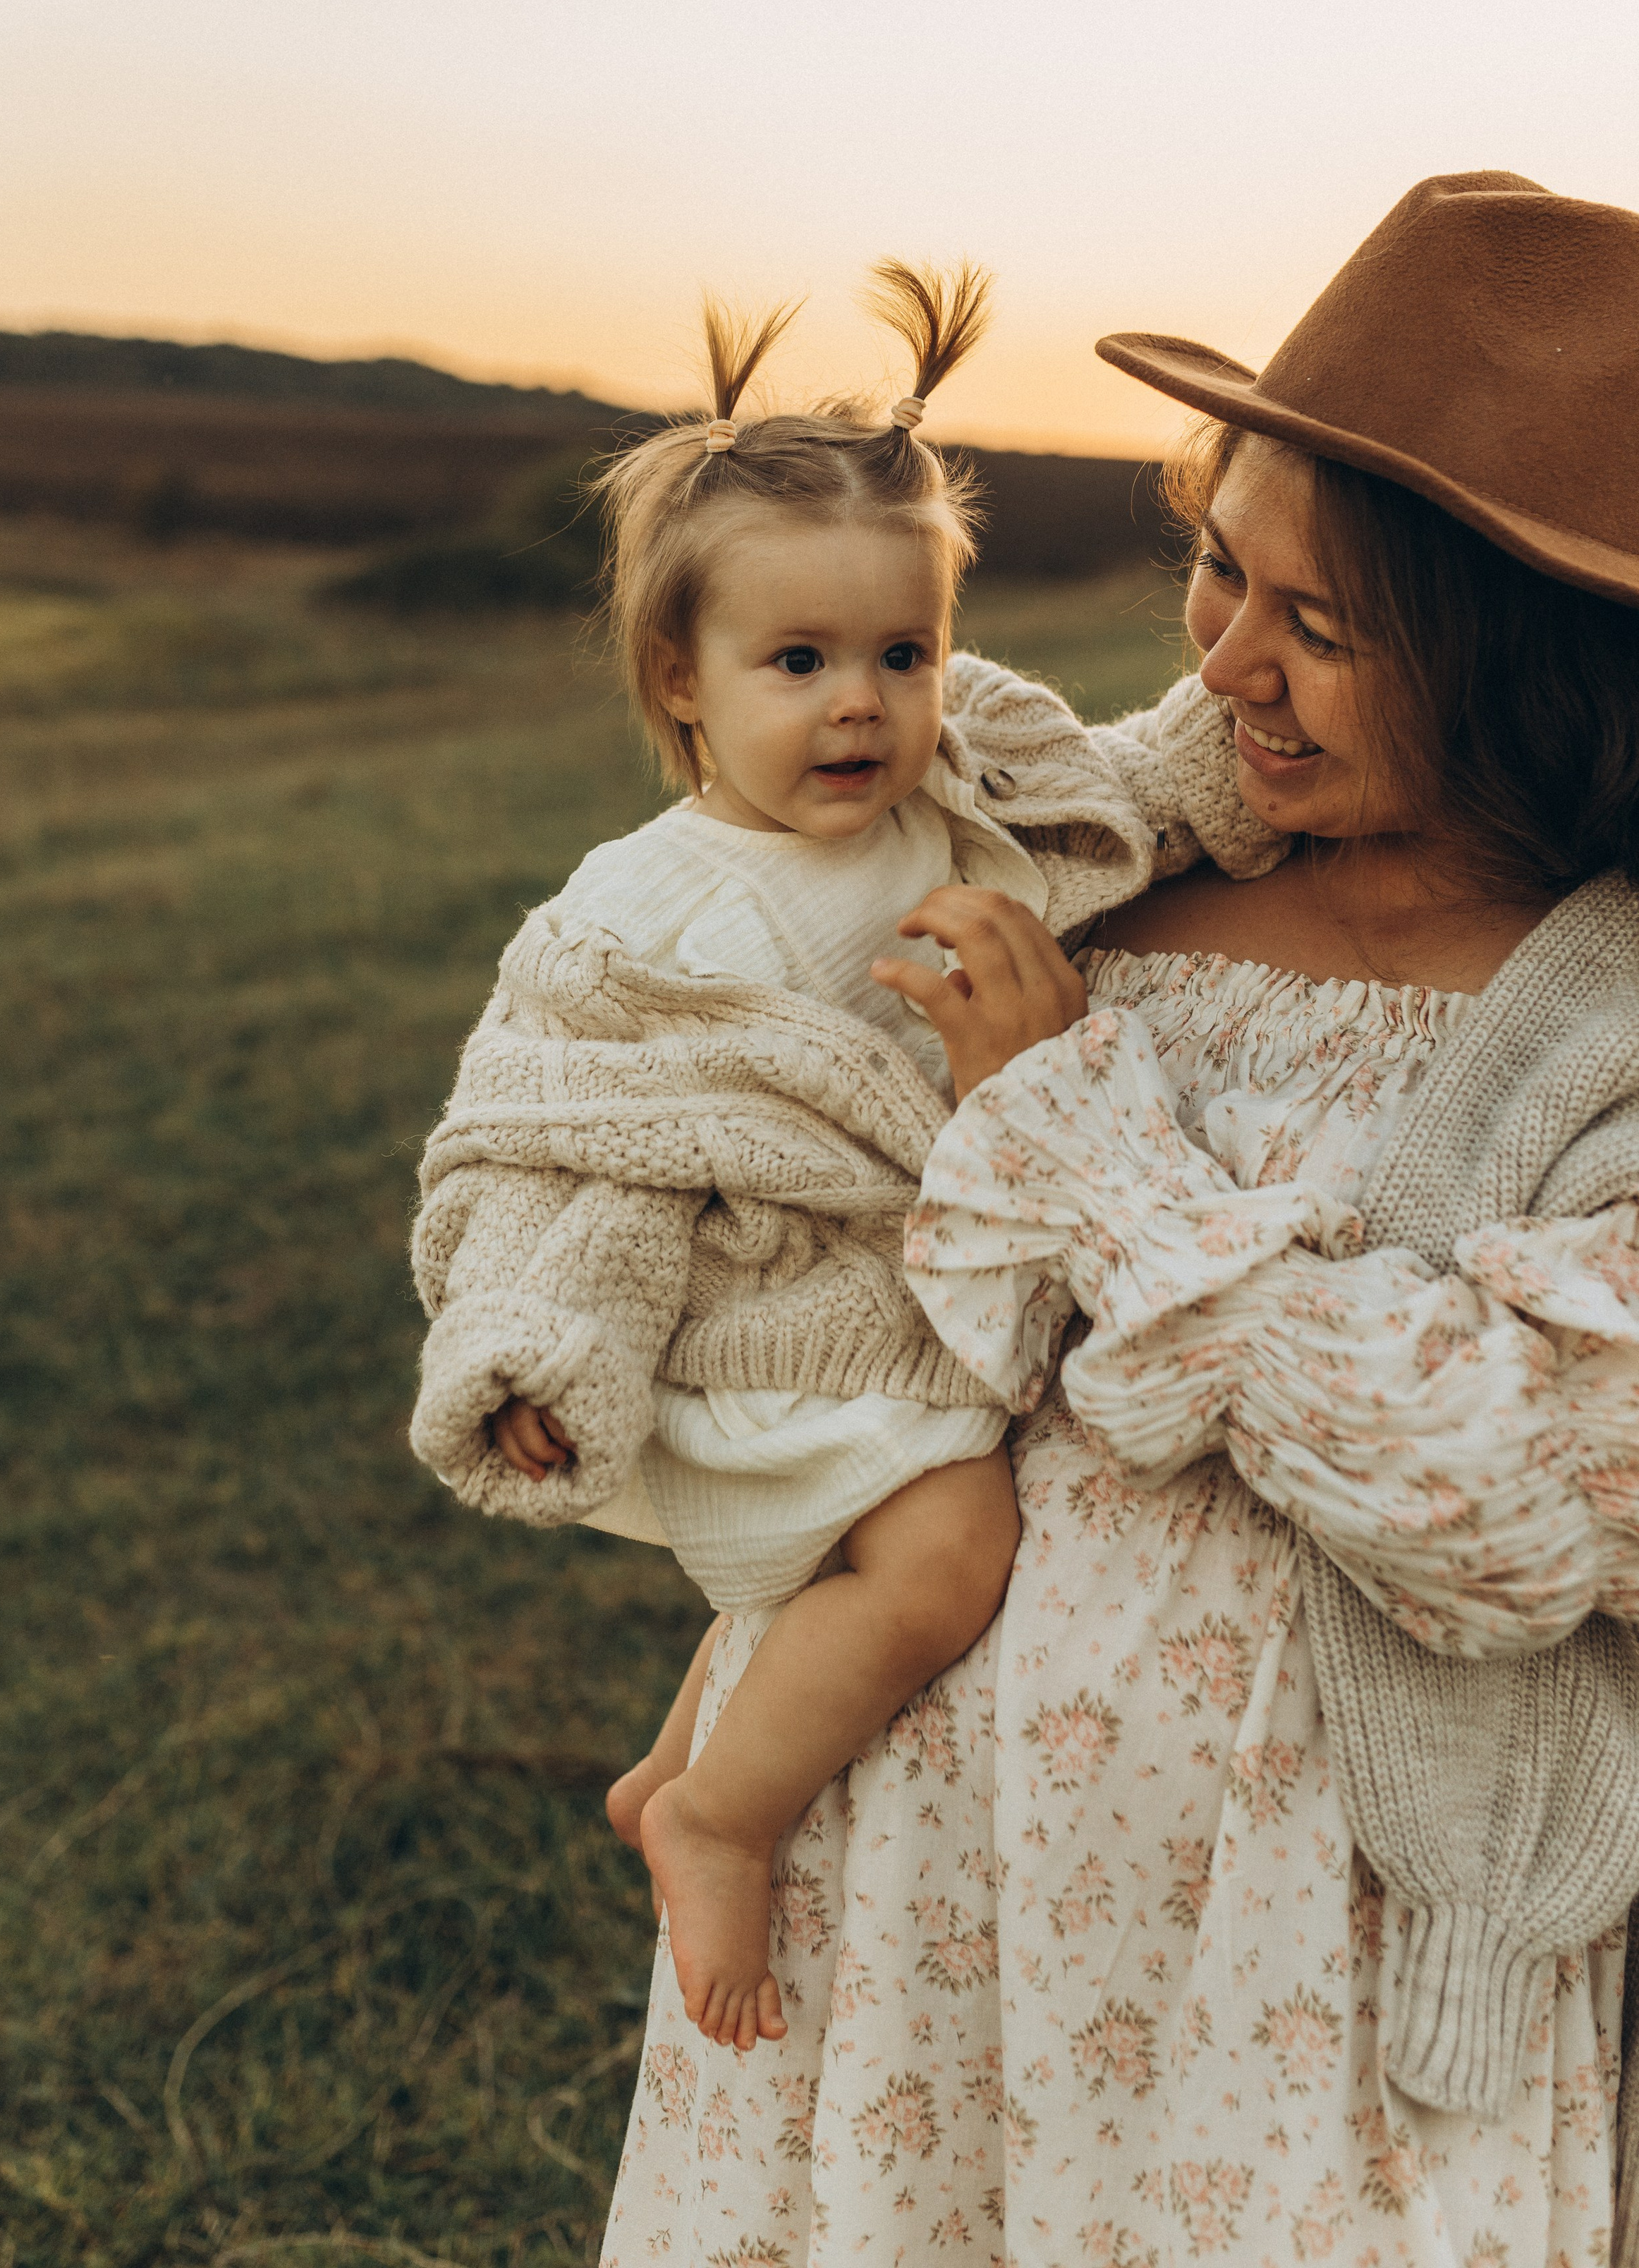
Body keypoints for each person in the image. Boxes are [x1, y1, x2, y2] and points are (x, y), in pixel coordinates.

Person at [602, 171, 1639, 2267]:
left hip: (1296, 1961)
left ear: (1526, 670)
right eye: (1214, 568)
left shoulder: (1604, 1017)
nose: (1233, 660)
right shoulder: (1113, 854)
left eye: (1322, 630)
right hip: (908, 1863)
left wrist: (1076, 1129)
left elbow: (1499, 1493)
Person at [408, 264, 1244, 2056]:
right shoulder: (657, 910)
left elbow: (1126, 799)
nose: (858, 705)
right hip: (764, 1316)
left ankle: (670, 1764)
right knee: (942, 1551)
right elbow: (581, 1145)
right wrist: (545, 1347)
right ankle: (723, 1812)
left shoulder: (947, 801)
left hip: (894, 1287)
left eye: (901, 654)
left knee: (834, 1570)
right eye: (795, 664)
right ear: (680, 680)